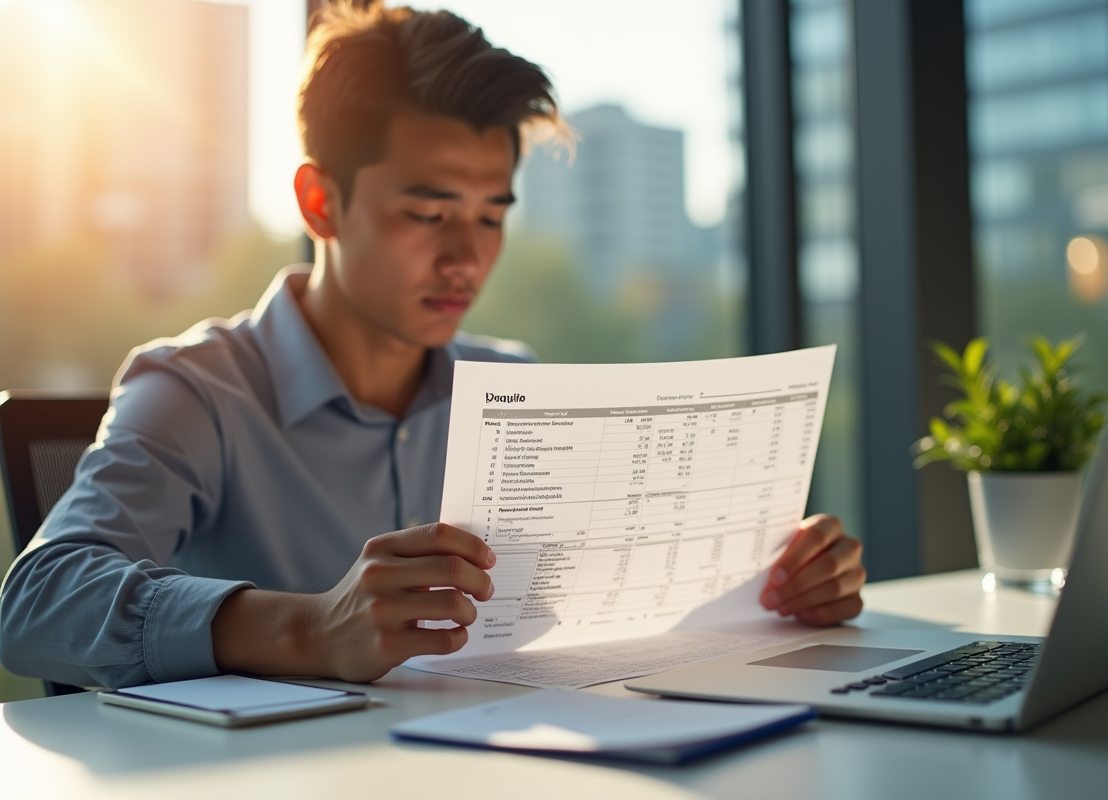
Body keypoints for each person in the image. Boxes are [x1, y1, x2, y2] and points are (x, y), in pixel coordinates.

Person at [0, 1, 866, 689]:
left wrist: (779, 586)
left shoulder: (516, 387)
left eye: (492, 216)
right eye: (427, 213)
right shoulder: (196, 389)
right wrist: (307, 626)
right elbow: (36, 603)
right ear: (320, 203)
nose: (467, 257)